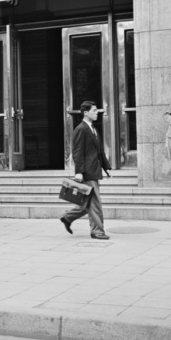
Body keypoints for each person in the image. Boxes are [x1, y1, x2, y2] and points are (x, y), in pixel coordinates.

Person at [60, 101, 111, 240]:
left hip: (94, 169)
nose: (97, 112)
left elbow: (98, 151)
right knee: (95, 203)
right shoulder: (81, 129)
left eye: (96, 110)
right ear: (85, 112)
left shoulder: (92, 128)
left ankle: (67, 218)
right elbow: (77, 152)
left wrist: (106, 167)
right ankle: (97, 231)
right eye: (94, 110)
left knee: (88, 201)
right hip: (87, 171)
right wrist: (79, 172)